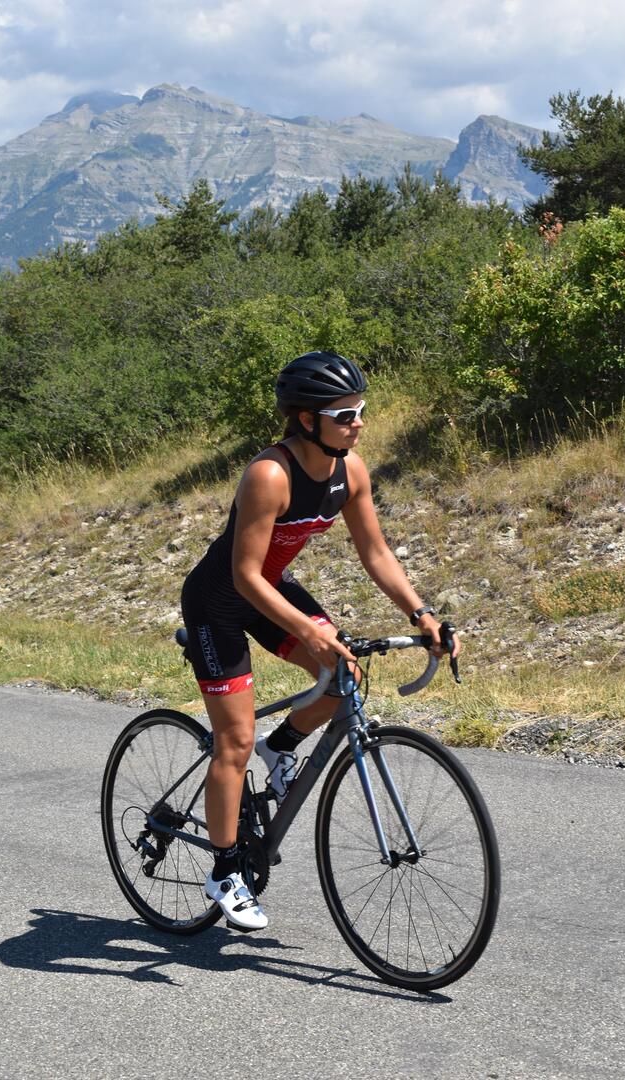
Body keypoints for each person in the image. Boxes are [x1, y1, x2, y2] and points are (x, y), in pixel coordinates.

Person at [180, 350, 460, 931]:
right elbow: (243, 576)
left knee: (347, 676)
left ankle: (281, 747)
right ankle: (225, 869)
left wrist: (421, 613)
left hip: (271, 590)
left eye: (361, 411)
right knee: (234, 739)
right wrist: (310, 629)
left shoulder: (349, 471)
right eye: (345, 414)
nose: (358, 422)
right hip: (219, 601)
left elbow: (375, 552)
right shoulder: (270, 474)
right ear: (307, 419)